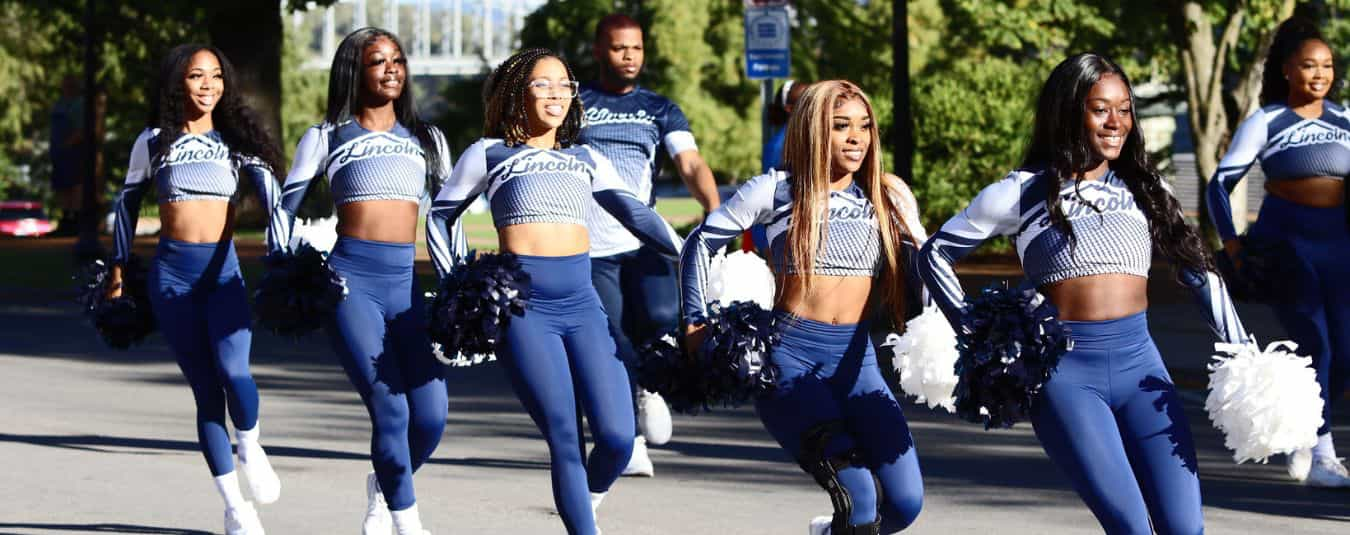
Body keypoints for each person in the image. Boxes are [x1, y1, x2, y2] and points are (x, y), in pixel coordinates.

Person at [917, 53, 1252, 534]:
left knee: (1185, 528)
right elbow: (934, 255)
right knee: (1132, 529)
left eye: (1125, 109)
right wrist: (978, 333)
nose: (1117, 122)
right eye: (1101, 109)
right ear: (1069, 111)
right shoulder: (1021, 192)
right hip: (1066, 377)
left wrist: (1246, 353)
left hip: (1144, 369)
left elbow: (1198, 271)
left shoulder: (1146, 186)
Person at [428, 47, 680, 535]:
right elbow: (440, 217)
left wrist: (696, 251)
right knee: (565, 436)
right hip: (524, 311)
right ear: (517, 91)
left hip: (583, 305)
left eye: (565, 85)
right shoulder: (489, 153)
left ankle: (583, 502)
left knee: (617, 437)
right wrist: (459, 284)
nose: (557, 94)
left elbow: (637, 215)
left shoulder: (586, 157)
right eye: (543, 83)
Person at [681, 80, 926, 534]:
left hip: (858, 361)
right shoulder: (776, 191)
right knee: (861, 496)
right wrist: (696, 323)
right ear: (813, 130)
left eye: (865, 126)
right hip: (789, 359)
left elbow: (925, 280)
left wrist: (916, 237)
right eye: (840, 126)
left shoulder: (884, 194)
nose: (856, 137)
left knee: (906, 504)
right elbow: (700, 243)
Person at [272, 27, 459, 535]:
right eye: (379, 61)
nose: (393, 69)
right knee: (391, 409)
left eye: (398, 60)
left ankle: (385, 484)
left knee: (432, 416)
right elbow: (283, 210)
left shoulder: (428, 139)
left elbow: (447, 219)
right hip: (350, 282)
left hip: (406, 288)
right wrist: (286, 268)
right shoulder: (327, 135)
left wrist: (457, 284)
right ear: (356, 70)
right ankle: (407, 521)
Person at [108, 44, 285, 535]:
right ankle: (235, 508)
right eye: (195, 76)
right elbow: (126, 205)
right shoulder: (152, 142)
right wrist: (118, 268)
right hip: (172, 277)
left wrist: (285, 250)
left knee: (235, 371)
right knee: (207, 394)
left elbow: (274, 198)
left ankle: (250, 443)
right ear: (176, 84)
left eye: (216, 77)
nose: (207, 85)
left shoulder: (237, 143)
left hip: (222, 274)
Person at [1205, 17, 1350, 488]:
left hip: (1339, 241)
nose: (1320, 74)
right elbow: (1220, 184)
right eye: (1309, 65)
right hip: (1286, 240)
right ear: (1288, 70)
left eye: (1327, 66)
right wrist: (1232, 243)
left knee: (1344, 350)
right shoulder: (1266, 121)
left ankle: (1304, 432)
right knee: (1316, 344)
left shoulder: (1345, 119)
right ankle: (1323, 452)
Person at [577, 13, 722, 476]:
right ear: (599, 50)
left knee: (661, 316)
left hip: (645, 241)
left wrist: (716, 213)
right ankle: (630, 437)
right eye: (619, 48)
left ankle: (649, 387)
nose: (629, 56)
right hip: (592, 246)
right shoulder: (576, 104)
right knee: (613, 338)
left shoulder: (659, 109)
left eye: (636, 48)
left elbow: (691, 163)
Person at [49, 75, 87, 236]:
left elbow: (81, 130)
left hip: (74, 152)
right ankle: (65, 219)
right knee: (62, 186)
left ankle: (76, 219)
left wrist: (67, 145)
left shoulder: (79, 105)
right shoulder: (59, 104)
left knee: (75, 185)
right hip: (58, 152)